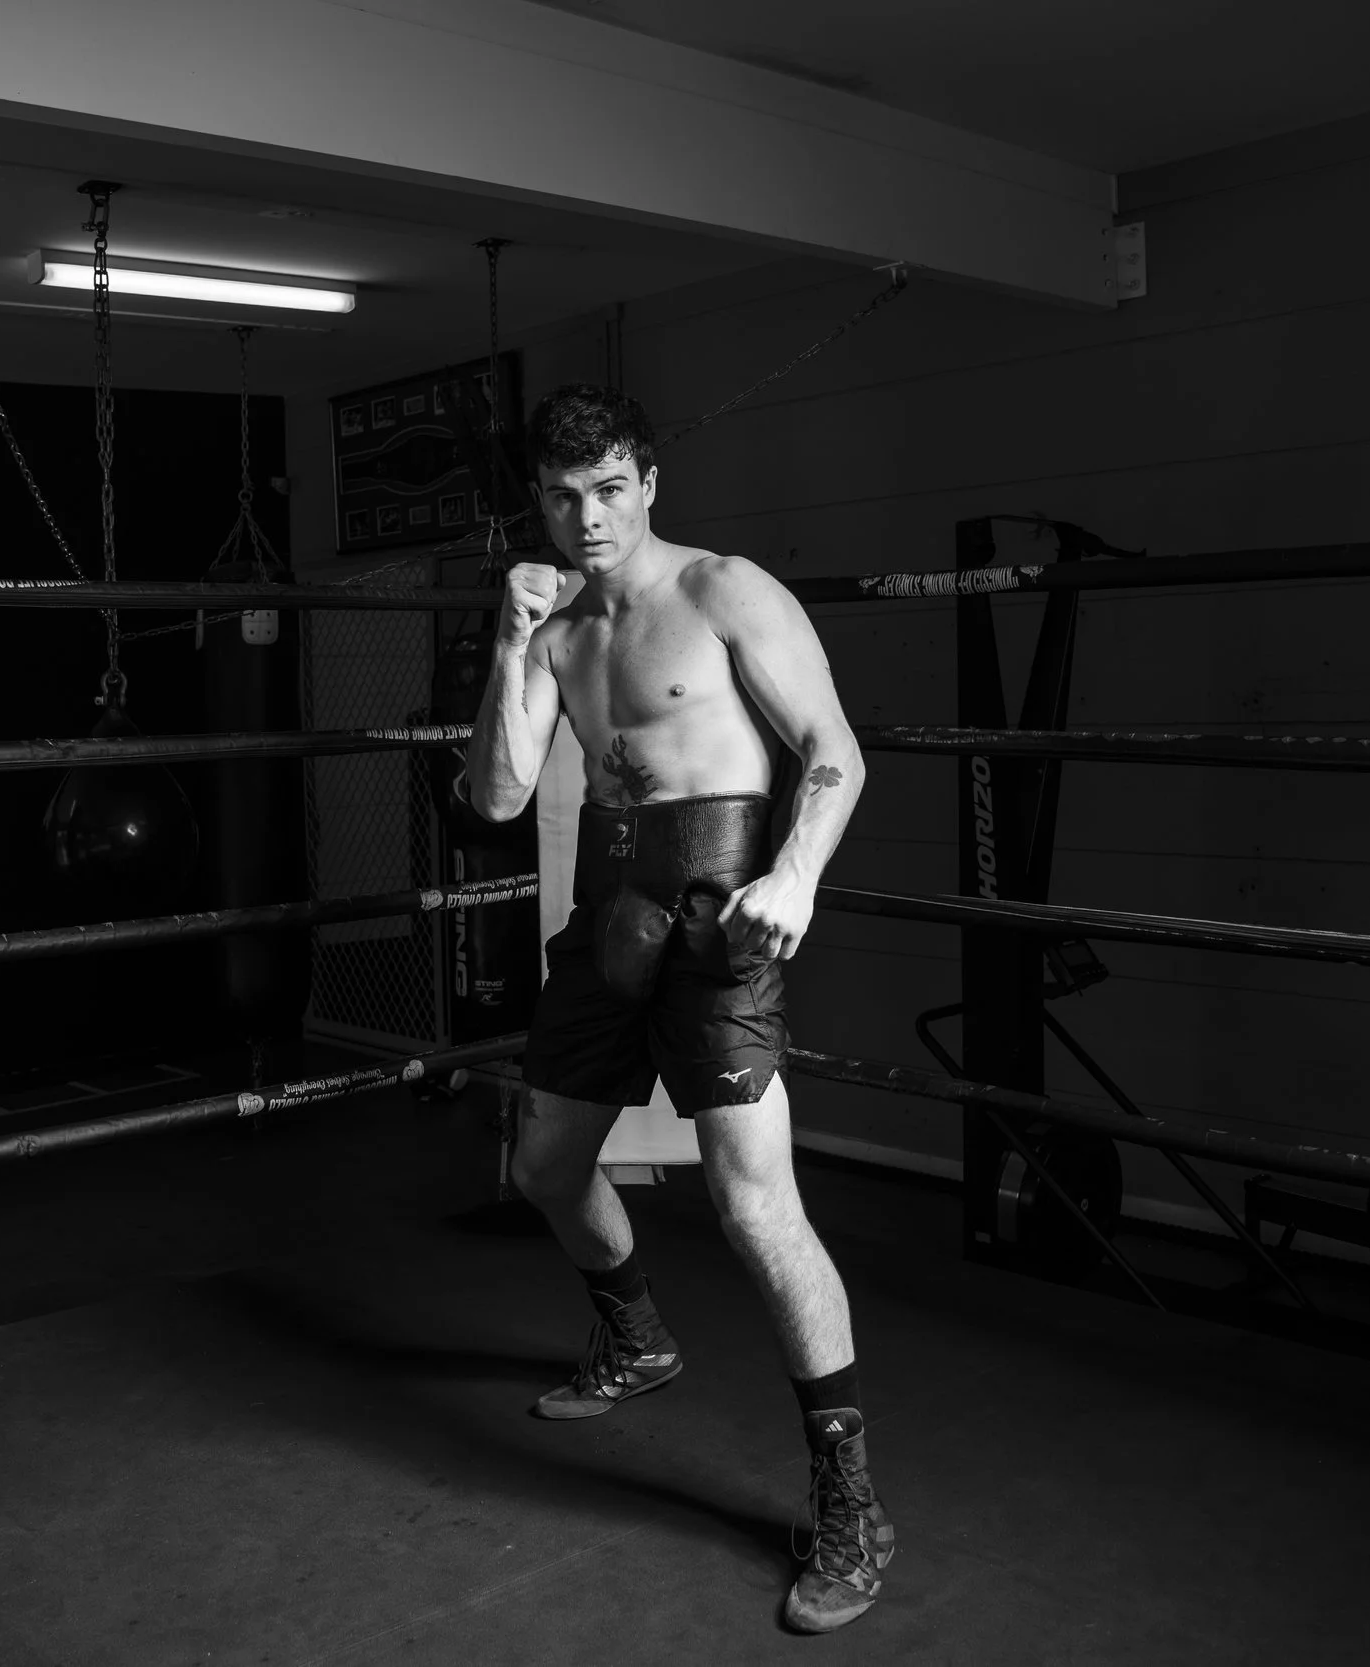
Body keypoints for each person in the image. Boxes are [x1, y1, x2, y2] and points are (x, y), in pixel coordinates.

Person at [462, 385, 891, 1633]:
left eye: (606, 489)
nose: (585, 518)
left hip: (724, 920)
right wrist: (504, 642)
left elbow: (832, 746)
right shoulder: (555, 633)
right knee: (544, 1163)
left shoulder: (724, 592)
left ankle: (850, 1497)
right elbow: (494, 797)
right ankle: (635, 1335)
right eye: (558, 495)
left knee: (755, 1207)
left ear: (647, 480)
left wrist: (795, 873)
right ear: (535, 501)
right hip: (608, 921)